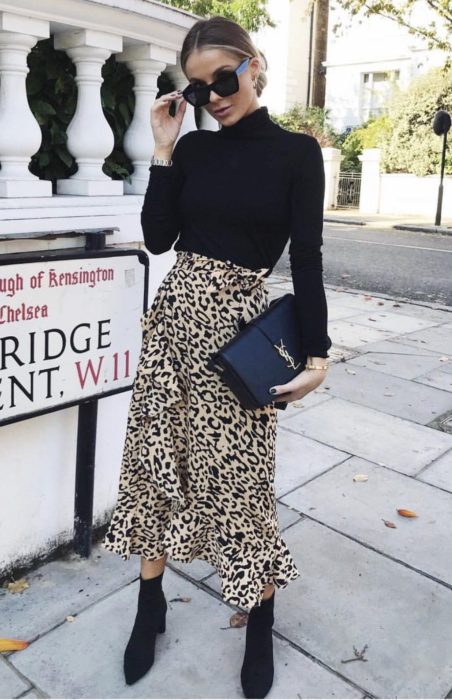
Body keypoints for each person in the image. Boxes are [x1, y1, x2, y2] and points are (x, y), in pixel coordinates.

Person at [102, 14, 332, 699]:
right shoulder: (194, 150)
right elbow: (157, 238)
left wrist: (316, 354)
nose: (215, 98)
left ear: (253, 65)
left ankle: (259, 617)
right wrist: (166, 150)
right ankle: (150, 607)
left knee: (240, 486)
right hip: (173, 323)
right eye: (199, 90)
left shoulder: (297, 154)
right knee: (152, 464)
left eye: (223, 79)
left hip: (239, 339)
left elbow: (310, 262)